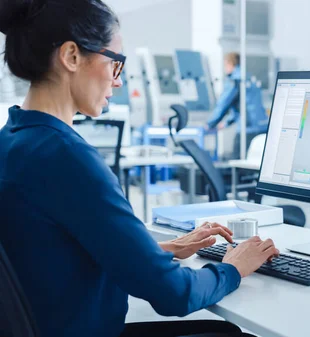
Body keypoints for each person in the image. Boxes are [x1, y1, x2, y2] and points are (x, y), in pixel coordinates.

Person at [0, 1, 279, 337]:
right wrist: (233, 268)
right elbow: (174, 294)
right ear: (72, 56)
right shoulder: (68, 157)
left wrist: (161, 250)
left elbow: (57, 253)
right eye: (115, 64)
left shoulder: (13, 139)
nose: (118, 82)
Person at [206, 52, 269, 159]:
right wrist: (226, 123)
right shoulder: (249, 78)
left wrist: (209, 124)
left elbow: (223, 104)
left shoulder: (235, 81)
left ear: (230, 64)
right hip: (263, 127)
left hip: (247, 129)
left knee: (238, 164)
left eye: (225, 65)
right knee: (257, 163)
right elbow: (242, 107)